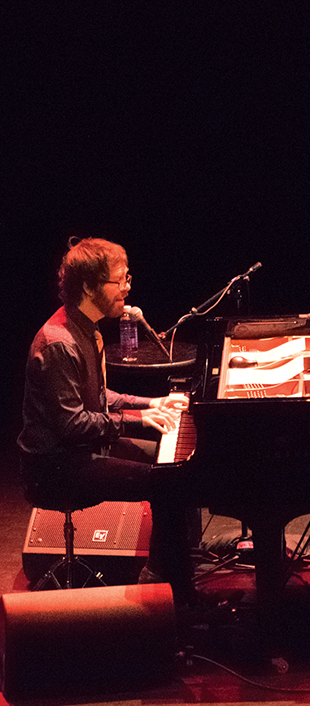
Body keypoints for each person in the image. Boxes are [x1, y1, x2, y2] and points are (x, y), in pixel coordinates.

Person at [17, 237, 198, 604]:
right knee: (167, 482)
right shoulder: (59, 343)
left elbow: (100, 399)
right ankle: (163, 585)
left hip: (81, 447)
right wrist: (139, 420)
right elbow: (73, 424)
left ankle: (174, 568)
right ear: (88, 286)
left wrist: (154, 402)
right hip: (55, 466)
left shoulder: (88, 327)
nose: (128, 288)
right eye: (120, 280)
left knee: (176, 465)